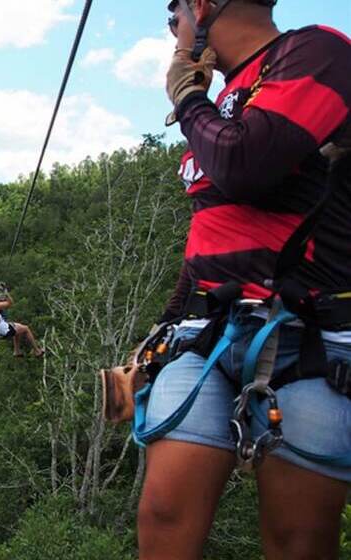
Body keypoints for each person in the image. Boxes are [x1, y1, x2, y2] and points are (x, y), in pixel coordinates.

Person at [135, 1, 351, 559]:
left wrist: (187, 99)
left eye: (173, 13)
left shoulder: (318, 52)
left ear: (202, 6)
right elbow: (214, 232)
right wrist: (162, 326)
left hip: (304, 335)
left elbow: (246, 164)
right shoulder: (230, 95)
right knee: (162, 517)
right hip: (208, 330)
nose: (172, 28)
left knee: (296, 542)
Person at [0, 280, 44, 357]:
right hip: (3, 330)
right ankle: (37, 351)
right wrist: (5, 292)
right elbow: (10, 303)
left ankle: (17, 351)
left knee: (17, 328)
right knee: (26, 329)